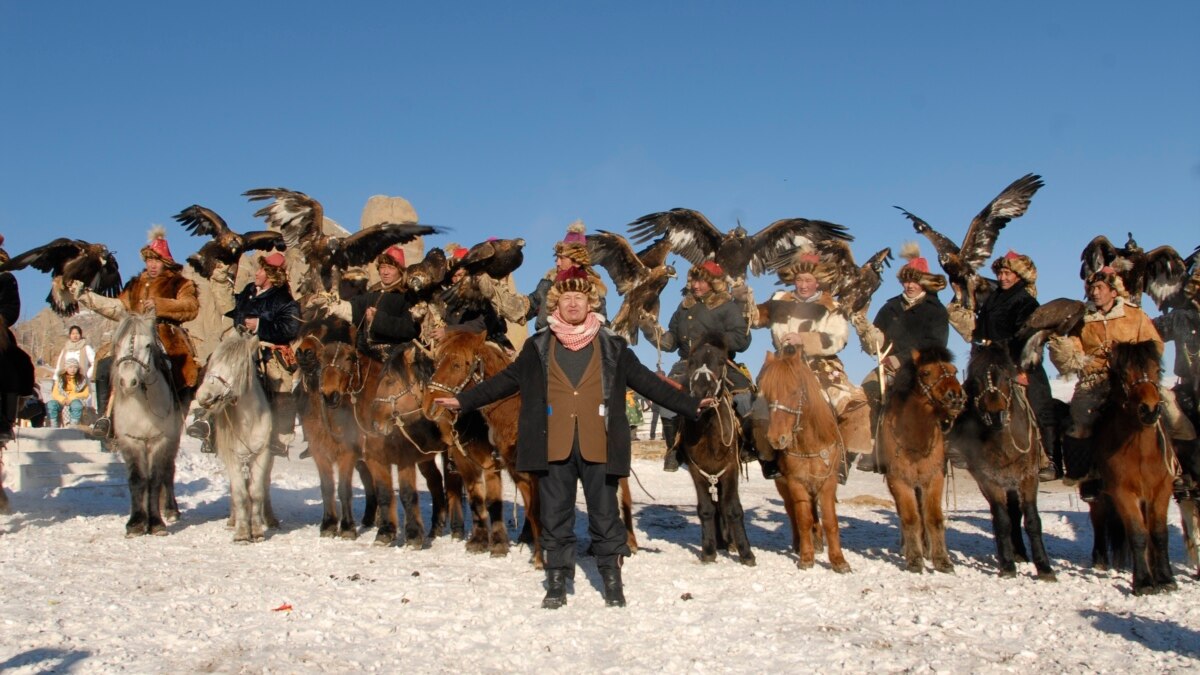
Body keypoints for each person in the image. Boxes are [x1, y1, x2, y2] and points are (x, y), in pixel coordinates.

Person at [434, 266, 709, 609]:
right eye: (567, 298)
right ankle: (557, 580)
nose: (574, 304)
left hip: (600, 442)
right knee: (555, 516)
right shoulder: (537, 346)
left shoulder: (613, 346)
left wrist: (690, 405)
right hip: (553, 443)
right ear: (556, 304)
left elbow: (648, 383)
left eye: (580, 297)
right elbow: (503, 382)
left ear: (590, 302)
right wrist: (463, 400)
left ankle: (612, 579)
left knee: (605, 516)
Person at [1048, 267, 1197, 501]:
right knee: (1081, 419)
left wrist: (1132, 359)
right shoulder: (1080, 318)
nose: (1094, 293)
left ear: (1113, 292)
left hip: (1135, 378)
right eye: (1091, 288)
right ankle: (1088, 476)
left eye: (1099, 288)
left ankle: (1184, 472)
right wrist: (1062, 348)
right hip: (1095, 380)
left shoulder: (1134, 315)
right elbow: (1072, 353)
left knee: (1173, 412)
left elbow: (1155, 344)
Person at [750, 249, 872, 479]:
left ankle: (843, 459)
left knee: (854, 403)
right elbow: (754, 318)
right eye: (799, 280)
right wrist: (741, 295)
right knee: (759, 406)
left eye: (808, 280)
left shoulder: (831, 307)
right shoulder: (778, 301)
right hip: (783, 366)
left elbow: (838, 339)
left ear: (818, 282)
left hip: (821, 366)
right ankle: (769, 459)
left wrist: (804, 340)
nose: (803, 285)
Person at [75, 227, 200, 437]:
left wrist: (159, 304)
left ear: (166, 262)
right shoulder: (134, 284)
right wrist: (87, 297)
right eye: (149, 260)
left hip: (165, 334)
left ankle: (172, 414)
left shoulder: (180, 282)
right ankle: (107, 418)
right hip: (133, 333)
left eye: (157, 260)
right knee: (105, 365)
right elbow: (118, 308)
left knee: (177, 369)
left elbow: (191, 306)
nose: (152, 265)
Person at [947, 250, 1059, 480]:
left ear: (1018, 275)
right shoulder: (992, 299)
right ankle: (960, 444)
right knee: (967, 394)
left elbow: (1026, 336)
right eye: (1000, 273)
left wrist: (1021, 370)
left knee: (1040, 404)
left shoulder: (1026, 301)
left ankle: (1050, 459)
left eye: (1008, 273)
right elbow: (980, 329)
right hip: (990, 361)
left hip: (1019, 360)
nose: (1003, 278)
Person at [642, 261, 754, 472]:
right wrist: (650, 331)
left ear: (714, 283)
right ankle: (673, 449)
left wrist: (712, 341)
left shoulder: (727, 305)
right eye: (693, 280)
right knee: (666, 398)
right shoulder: (684, 308)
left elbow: (742, 339)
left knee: (744, 395)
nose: (696, 285)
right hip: (687, 365)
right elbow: (670, 342)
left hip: (720, 363)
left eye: (702, 280)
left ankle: (749, 444)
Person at [187, 252, 301, 457]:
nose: (256, 273)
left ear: (271, 274)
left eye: (260, 270)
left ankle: (279, 437)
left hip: (266, 349)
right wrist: (221, 279)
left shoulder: (284, 299)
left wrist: (259, 324)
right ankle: (207, 420)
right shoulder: (250, 291)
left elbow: (290, 328)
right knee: (215, 365)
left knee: (280, 387)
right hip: (239, 344)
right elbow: (230, 307)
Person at [853, 243, 949, 472]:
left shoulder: (936, 310)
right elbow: (879, 339)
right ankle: (874, 448)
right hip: (889, 365)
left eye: (914, 280)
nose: (909, 285)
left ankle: (948, 447)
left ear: (924, 281)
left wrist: (901, 359)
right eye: (906, 280)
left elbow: (935, 344)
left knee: (949, 398)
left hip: (925, 366)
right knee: (867, 392)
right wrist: (867, 332)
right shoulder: (891, 307)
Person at [318, 245, 419, 361]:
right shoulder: (372, 293)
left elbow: (410, 329)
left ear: (400, 271)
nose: (385, 272)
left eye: (391, 268)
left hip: (394, 357)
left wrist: (378, 319)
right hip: (365, 353)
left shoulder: (408, 296)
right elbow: (354, 309)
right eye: (382, 267)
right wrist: (334, 305)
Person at [527, 220, 607, 330]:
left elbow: (604, 325)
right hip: (545, 343)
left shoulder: (593, 291)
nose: (557, 262)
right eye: (556, 258)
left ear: (577, 262)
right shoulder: (547, 285)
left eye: (561, 258)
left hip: (584, 343)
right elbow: (527, 307)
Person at [1, 234, 36, 444]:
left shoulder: (5, 276)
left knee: (14, 365)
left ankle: (4, 421)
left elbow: (12, 309)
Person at [47, 358, 90, 427]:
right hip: (62, 399)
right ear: (66, 368)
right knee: (51, 404)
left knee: (77, 405)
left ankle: (73, 426)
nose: (73, 369)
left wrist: (73, 397)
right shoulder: (60, 379)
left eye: (75, 367)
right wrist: (63, 399)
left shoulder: (82, 380)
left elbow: (86, 393)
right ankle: (53, 425)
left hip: (75, 399)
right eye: (70, 367)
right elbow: (55, 393)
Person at [53, 325, 96, 390]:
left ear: (80, 335)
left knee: (80, 398)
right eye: (73, 334)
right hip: (65, 380)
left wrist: (87, 375)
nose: (75, 336)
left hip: (81, 380)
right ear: (70, 335)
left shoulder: (86, 348)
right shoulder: (65, 349)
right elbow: (59, 365)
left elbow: (95, 362)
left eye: (77, 333)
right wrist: (56, 378)